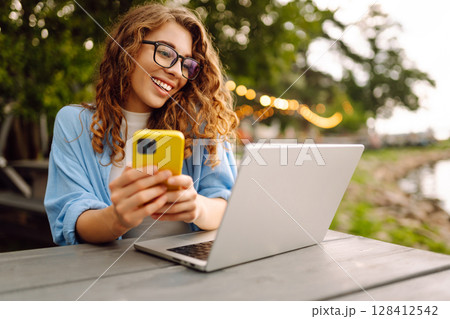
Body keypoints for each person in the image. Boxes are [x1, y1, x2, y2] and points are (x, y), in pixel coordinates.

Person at [44, 3, 239, 246]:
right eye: (166, 53)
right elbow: (71, 216)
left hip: (188, 271)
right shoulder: (74, 123)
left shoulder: (199, 124)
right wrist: (116, 218)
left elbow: (226, 204)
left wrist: (197, 207)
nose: (177, 72)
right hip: (108, 276)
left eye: (186, 64)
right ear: (128, 48)